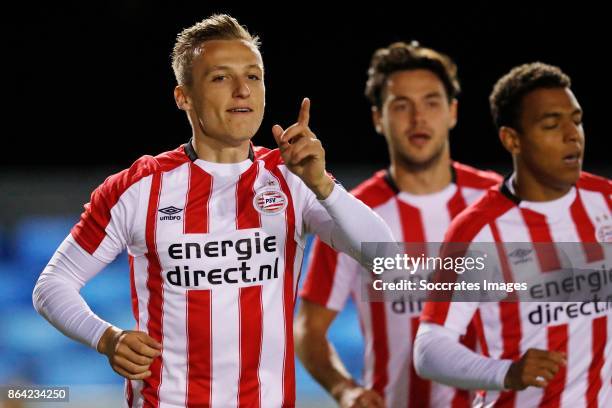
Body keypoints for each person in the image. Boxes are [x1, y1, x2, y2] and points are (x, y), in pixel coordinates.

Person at [32, 14, 394, 407]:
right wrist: (107, 338)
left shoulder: (294, 178)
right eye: (220, 77)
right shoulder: (139, 188)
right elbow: (51, 286)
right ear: (183, 96)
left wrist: (323, 186)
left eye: (253, 77)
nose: (242, 90)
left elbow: (385, 257)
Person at [295, 41, 501, 408]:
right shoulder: (351, 215)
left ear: (452, 112)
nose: (418, 118)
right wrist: (345, 389)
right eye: (401, 105)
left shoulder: (497, 201)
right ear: (378, 118)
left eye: (431, 102)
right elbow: (309, 329)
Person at [413, 62, 612, 407]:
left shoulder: (606, 201)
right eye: (552, 124)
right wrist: (507, 372)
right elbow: (428, 348)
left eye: (576, 120)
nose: (572, 135)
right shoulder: (476, 230)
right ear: (512, 139)